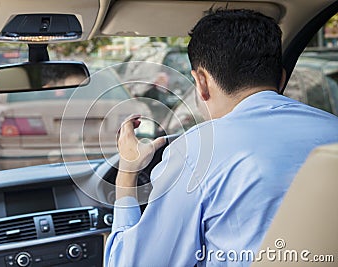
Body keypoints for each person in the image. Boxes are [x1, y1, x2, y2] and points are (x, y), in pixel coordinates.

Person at [104, 9, 338, 266]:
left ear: (201, 82)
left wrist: (127, 174)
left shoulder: (198, 150)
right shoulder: (333, 130)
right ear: (282, 78)